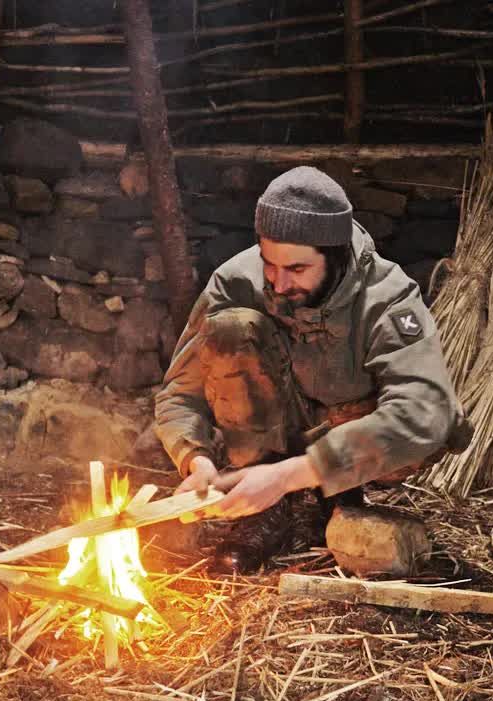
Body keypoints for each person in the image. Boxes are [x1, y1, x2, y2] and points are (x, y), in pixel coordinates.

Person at [154, 166, 470, 573]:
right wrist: (197, 461)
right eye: (270, 264)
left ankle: (340, 492)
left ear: (336, 257)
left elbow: (426, 412)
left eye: (297, 270)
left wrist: (289, 475)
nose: (279, 284)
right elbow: (180, 392)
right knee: (230, 328)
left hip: (348, 430)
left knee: (439, 421)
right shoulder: (235, 280)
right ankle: (264, 514)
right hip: (279, 426)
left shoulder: (388, 296)